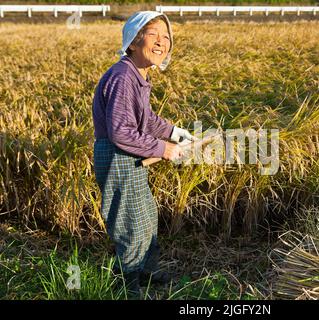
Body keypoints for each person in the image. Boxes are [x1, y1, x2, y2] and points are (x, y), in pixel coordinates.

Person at [92, 11, 194, 296]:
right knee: (129, 221)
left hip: (127, 155)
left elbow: (144, 121)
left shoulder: (137, 75)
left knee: (146, 215)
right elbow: (121, 132)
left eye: (166, 36)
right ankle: (127, 283)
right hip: (117, 156)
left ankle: (146, 269)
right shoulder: (124, 76)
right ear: (133, 42)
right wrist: (164, 149)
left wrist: (174, 132)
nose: (162, 41)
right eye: (153, 34)